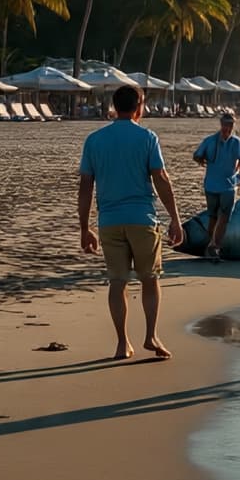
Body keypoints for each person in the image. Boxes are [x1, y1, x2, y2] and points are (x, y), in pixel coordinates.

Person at [78, 84, 184, 361]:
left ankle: (122, 343)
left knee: (118, 282)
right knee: (150, 279)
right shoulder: (147, 137)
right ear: (139, 106)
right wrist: (175, 218)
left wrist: (84, 227)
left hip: (109, 221)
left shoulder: (94, 140)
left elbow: (86, 185)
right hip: (142, 219)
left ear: (114, 106)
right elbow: (160, 178)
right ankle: (150, 335)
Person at [192, 112, 240, 260]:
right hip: (211, 185)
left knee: (223, 217)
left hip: (228, 187)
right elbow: (196, 155)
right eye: (225, 125)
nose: (227, 128)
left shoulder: (237, 143)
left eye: (230, 125)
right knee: (212, 216)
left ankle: (214, 246)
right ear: (221, 124)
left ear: (233, 126)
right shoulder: (210, 141)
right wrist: (201, 160)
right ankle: (212, 245)